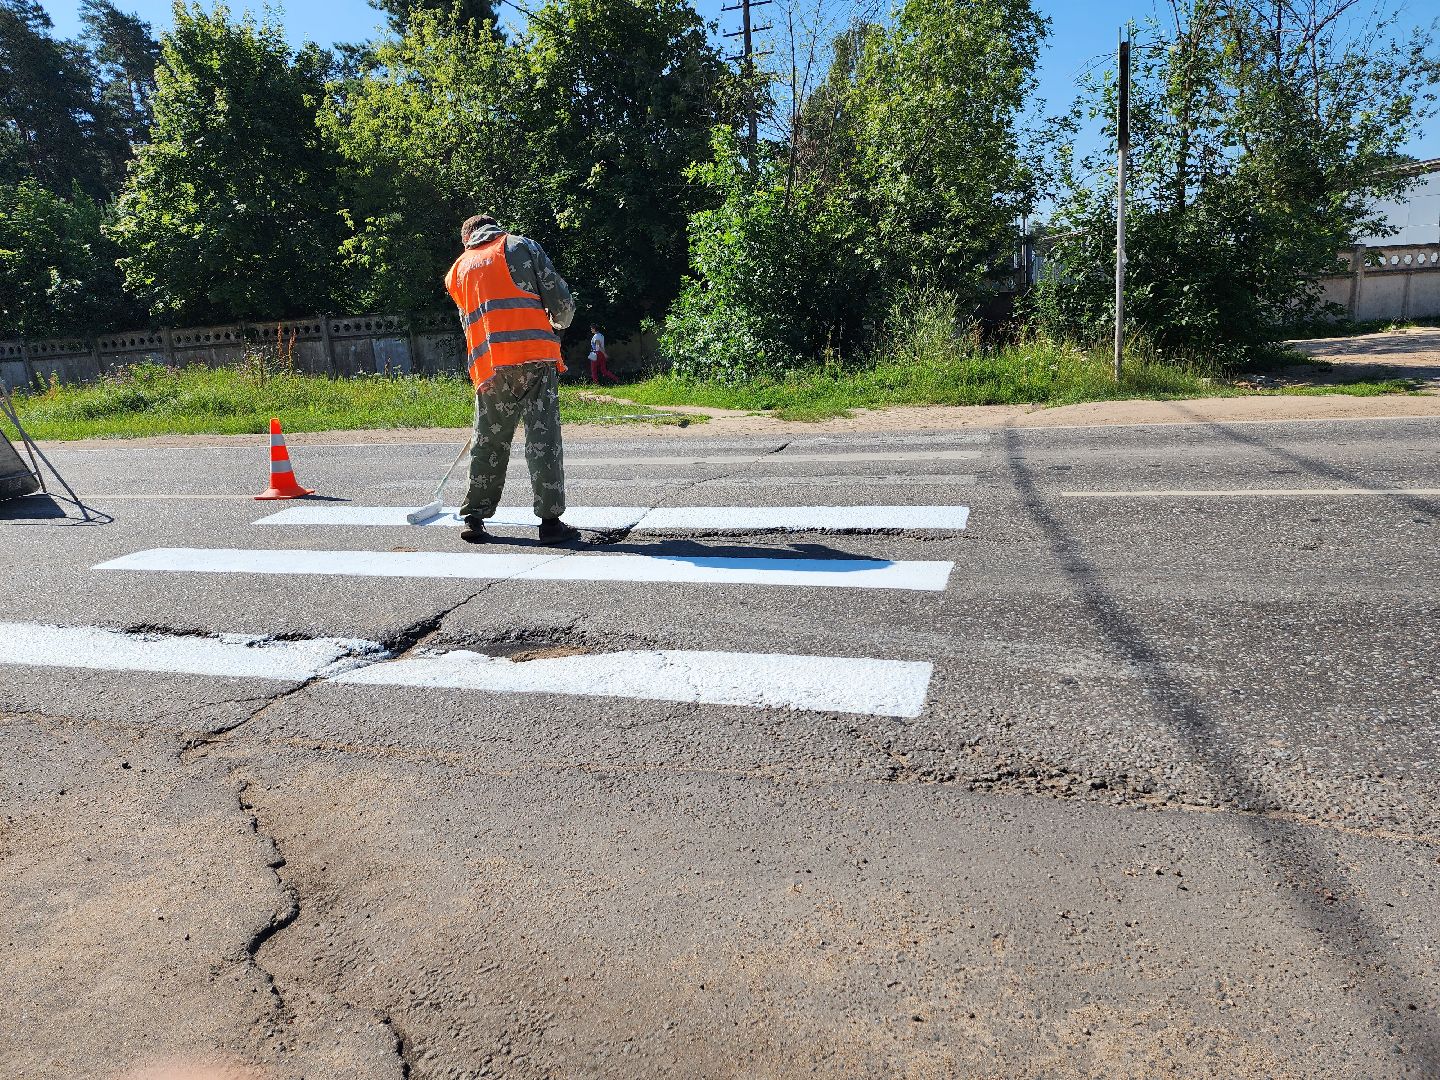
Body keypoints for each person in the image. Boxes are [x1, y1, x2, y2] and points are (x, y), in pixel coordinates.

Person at [444, 213, 580, 545]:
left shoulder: (457, 270)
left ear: (468, 239)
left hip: (490, 367)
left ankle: (474, 518)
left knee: (488, 440)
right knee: (542, 438)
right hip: (534, 358)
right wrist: (558, 324)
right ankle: (550, 524)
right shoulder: (521, 247)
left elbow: (470, 323)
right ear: (494, 228)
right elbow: (562, 303)